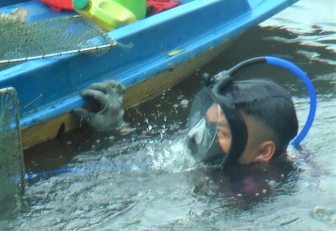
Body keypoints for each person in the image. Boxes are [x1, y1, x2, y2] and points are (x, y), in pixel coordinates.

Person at [73, 59, 304, 168]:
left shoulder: (255, 194)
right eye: (208, 122)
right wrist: (117, 126)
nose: (200, 137)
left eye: (221, 132)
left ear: (264, 152)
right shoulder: (232, 155)